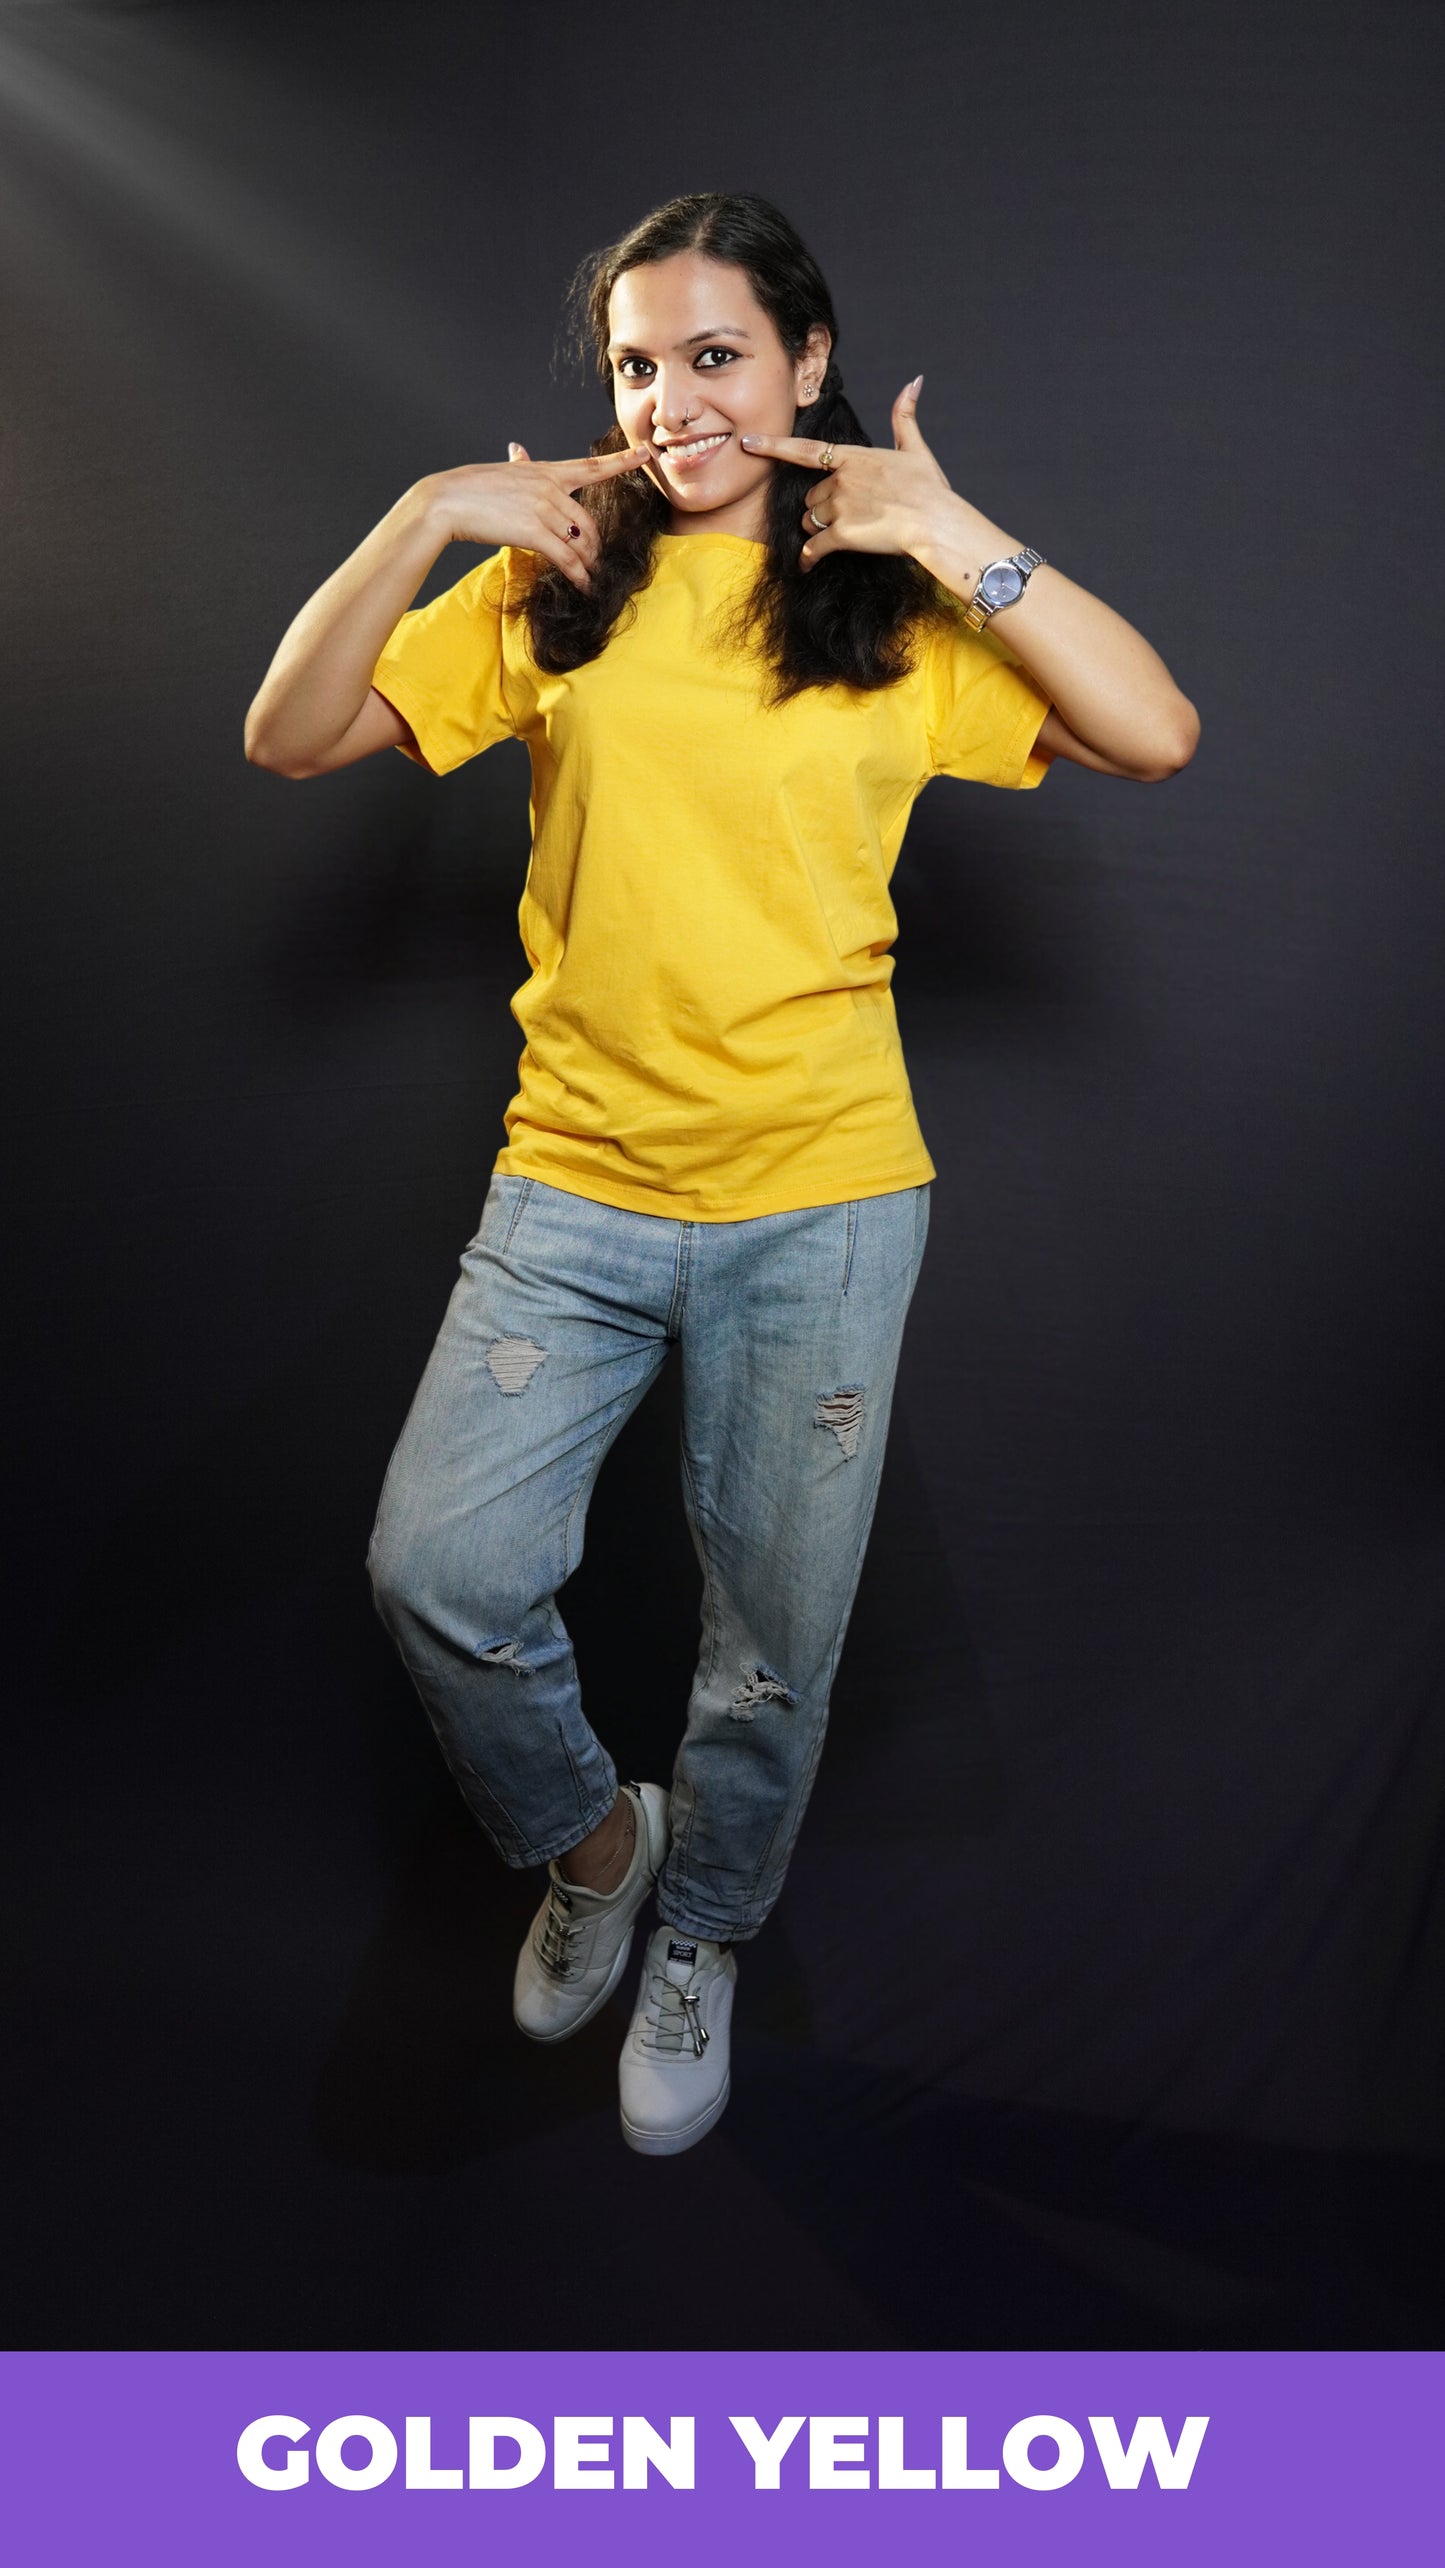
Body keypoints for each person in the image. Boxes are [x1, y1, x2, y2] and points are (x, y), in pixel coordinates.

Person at [244, 191, 1198, 2158]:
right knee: (442, 1574)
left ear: (806, 366)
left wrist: (956, 536)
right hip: (573, 1193)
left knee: (772, 1644)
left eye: (715, 357)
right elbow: (289, 734)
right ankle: (599, 1849)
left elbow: (1155, 732)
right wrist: (430, 513)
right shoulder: (556, 583)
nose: (672, 402)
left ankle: (708, 1928)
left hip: (823, 1206)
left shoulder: (893, 611)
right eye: (635, 364)